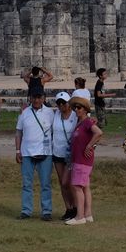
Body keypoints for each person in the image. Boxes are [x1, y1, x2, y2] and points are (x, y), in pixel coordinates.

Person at [15, 90, 54, 220]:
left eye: (39, 97)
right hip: (27, 153)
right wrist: (17, 150)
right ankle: (26, 210)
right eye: (34, 97)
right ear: (30, 98)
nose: (37, 100)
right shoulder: (24, 113)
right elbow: (18, 132)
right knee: (26, 184)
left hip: (45, 152)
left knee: (46, 184)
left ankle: (46, 211)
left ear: (43, 98)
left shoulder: (50, 112)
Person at [66, 97, 102, 225]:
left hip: (82, 160)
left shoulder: (87, 122)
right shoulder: (80, 123)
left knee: (77, 186)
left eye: (79, 108)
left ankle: (79, 216)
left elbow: (98, 132)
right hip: (79, 159)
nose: (76, 110)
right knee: (85, 186)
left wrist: (89, 145)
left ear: (85, 110)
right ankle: (87, 214)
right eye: (75, 107)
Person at [51, 92, 79, 221]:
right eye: (59, 103)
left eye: (64, 103)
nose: (62, 106)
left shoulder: (75, 115)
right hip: (57, 152)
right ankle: (68, 208)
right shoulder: (55, 115)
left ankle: (76, 207)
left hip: (70, 153)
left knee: (69, 182)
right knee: (62, 183)